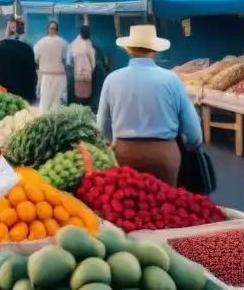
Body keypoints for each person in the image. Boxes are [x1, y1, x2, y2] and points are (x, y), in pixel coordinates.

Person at [97, 25, 201, 186]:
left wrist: (109, 145)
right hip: (163, 156)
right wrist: (193, 144)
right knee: (164, 204)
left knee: (127, 206)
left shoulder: (112, 79)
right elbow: (192, 128)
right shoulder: (171, 79)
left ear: (128, 49)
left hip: (124, 155)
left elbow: (102, 127)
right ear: (154, 50)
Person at [0, 27, 37, 103]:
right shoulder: (29, 48)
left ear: (7, 33)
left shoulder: (1, 45)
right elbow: (33, 75)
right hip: (26, 94)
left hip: (4, 94)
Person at [34, 19, 68, 111]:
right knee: (57, 105)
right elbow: (66, 61)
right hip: (59, 77)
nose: (52, 30)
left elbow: (35, 59)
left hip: (47, 76)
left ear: (48, 29)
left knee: (45, 104)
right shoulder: (63, 43)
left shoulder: (40, 43)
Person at [69, 24, 97, 106]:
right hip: (87, 75)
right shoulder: (89, 45)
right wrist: (91, 69)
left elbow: (70, 61)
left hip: (78, 75)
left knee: (78, 97)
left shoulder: (73, 44)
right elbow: (93, 62)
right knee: (86, 98)